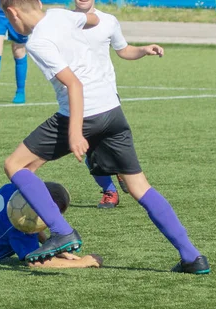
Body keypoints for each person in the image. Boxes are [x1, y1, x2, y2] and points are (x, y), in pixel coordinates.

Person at [0, 0, 209, 274]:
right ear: (38, 3)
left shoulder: (37, 41)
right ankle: (192, 257)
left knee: (15, 165)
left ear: (13, 13)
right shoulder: (61, 15)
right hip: (112, 110)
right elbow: (94, 21)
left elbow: (74, 84)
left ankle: (61, 231)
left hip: (83, 114)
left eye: (8, 18)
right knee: (139, 187)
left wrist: (75, 132)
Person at [75, 0, 164, 209]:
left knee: (113, 146)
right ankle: (110, 191)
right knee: (86, 148)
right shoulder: (64, 22)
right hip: (77, 96)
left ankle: (122, 170)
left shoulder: (108, 21)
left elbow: (123, 50)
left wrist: (143, 49)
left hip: (107, 95)